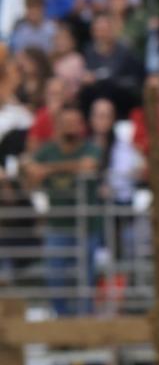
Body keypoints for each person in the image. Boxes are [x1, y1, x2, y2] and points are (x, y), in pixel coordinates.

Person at [22, 104, 101, 315]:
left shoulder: (90, 148)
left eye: (74, 123)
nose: (71, 128)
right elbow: (28, 166)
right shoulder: (48, 149)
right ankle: (62, 320)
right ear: (57, 126)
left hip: (86, 225)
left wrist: (49, 169)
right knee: (55, 277)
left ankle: (85, 325)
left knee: (86, 278)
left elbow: (90, 164)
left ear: (82, 126)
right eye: (66, 123)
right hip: (57, 224)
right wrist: (32, 167)